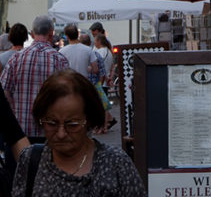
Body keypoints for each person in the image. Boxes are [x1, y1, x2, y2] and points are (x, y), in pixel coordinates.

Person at [11, 69, 145, 196]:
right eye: (51, 123)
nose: (61, 133)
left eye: (72, 124)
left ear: (89, 121)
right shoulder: (30, 160)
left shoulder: (116, 164)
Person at [0, 15, 68, 139]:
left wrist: (14, 112)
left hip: (19, 131)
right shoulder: (60, 60)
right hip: (50, 131)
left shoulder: (15, 59)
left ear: (32, 33)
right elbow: (66, 94)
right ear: (51, 33)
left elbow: (5, 92)